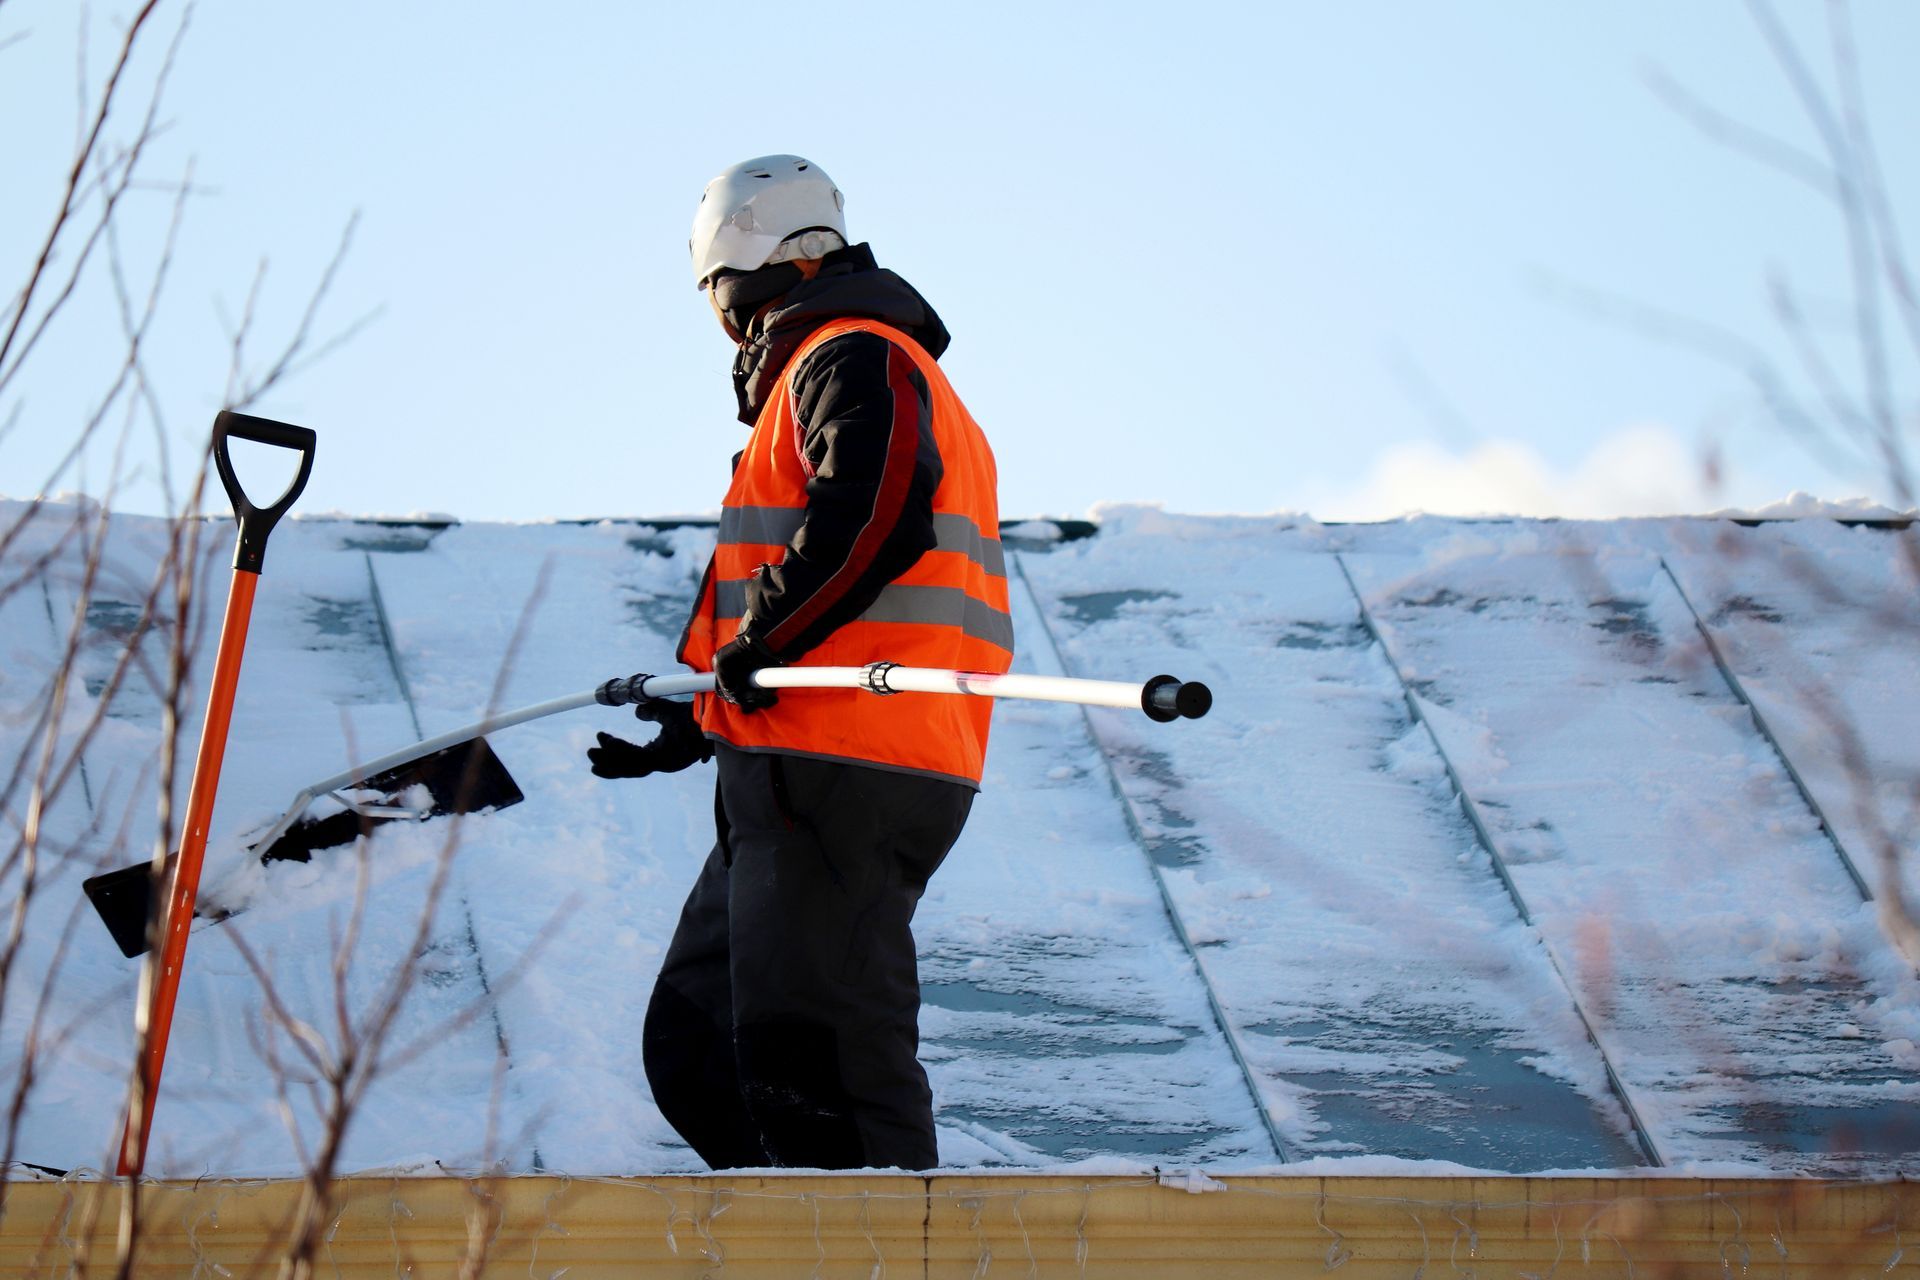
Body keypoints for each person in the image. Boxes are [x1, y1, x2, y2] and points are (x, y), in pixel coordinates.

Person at [587, 155, 1013, 1171]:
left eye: (714, 293)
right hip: (794, 756)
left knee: (816, 1051)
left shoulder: (852, 352)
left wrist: (766, 639)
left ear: (749, 264)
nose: (719, 319)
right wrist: (697, 707)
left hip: (851, 753)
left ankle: (878, 1239)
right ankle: (794, 1229)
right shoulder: (820, 372)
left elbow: (870, 513)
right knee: (701, 1045)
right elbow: (779, 564)